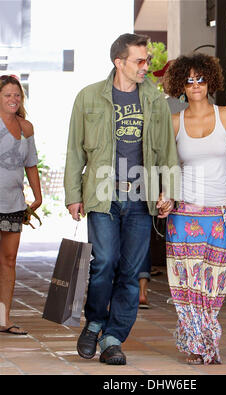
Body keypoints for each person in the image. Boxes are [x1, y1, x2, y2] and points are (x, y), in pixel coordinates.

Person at [64, 33, 179, 365]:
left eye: (148, 61)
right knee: (104, 264)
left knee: (131, 271)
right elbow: (74, 150)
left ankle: (113, 338)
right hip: (103, 196)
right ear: (119, 62)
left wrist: (167, 191)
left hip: (141, 198)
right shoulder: (88, 98)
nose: (146, 67)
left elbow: (166, 151)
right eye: (140, 61)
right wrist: (73, 194)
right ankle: (95, 322)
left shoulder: (155, 100)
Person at [162, 53, 226, 365]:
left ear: (210, 82)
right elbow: (167, 166)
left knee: (215, 283)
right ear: (181, 85)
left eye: (200, 79)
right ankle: (197, 344)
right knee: (186, 284)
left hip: (218, 213)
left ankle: (205, 336)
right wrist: (164, 195)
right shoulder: (174, 121)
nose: (195, 86)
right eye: (188, 81)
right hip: (183, 214)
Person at [0, 75, 42, 335]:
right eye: (7, 95)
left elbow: (31, 164)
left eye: (17, 95)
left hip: (14, 203)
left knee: (9, 261)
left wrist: (37, 196)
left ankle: (3, 319)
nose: (13, 99)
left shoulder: (26, 127)